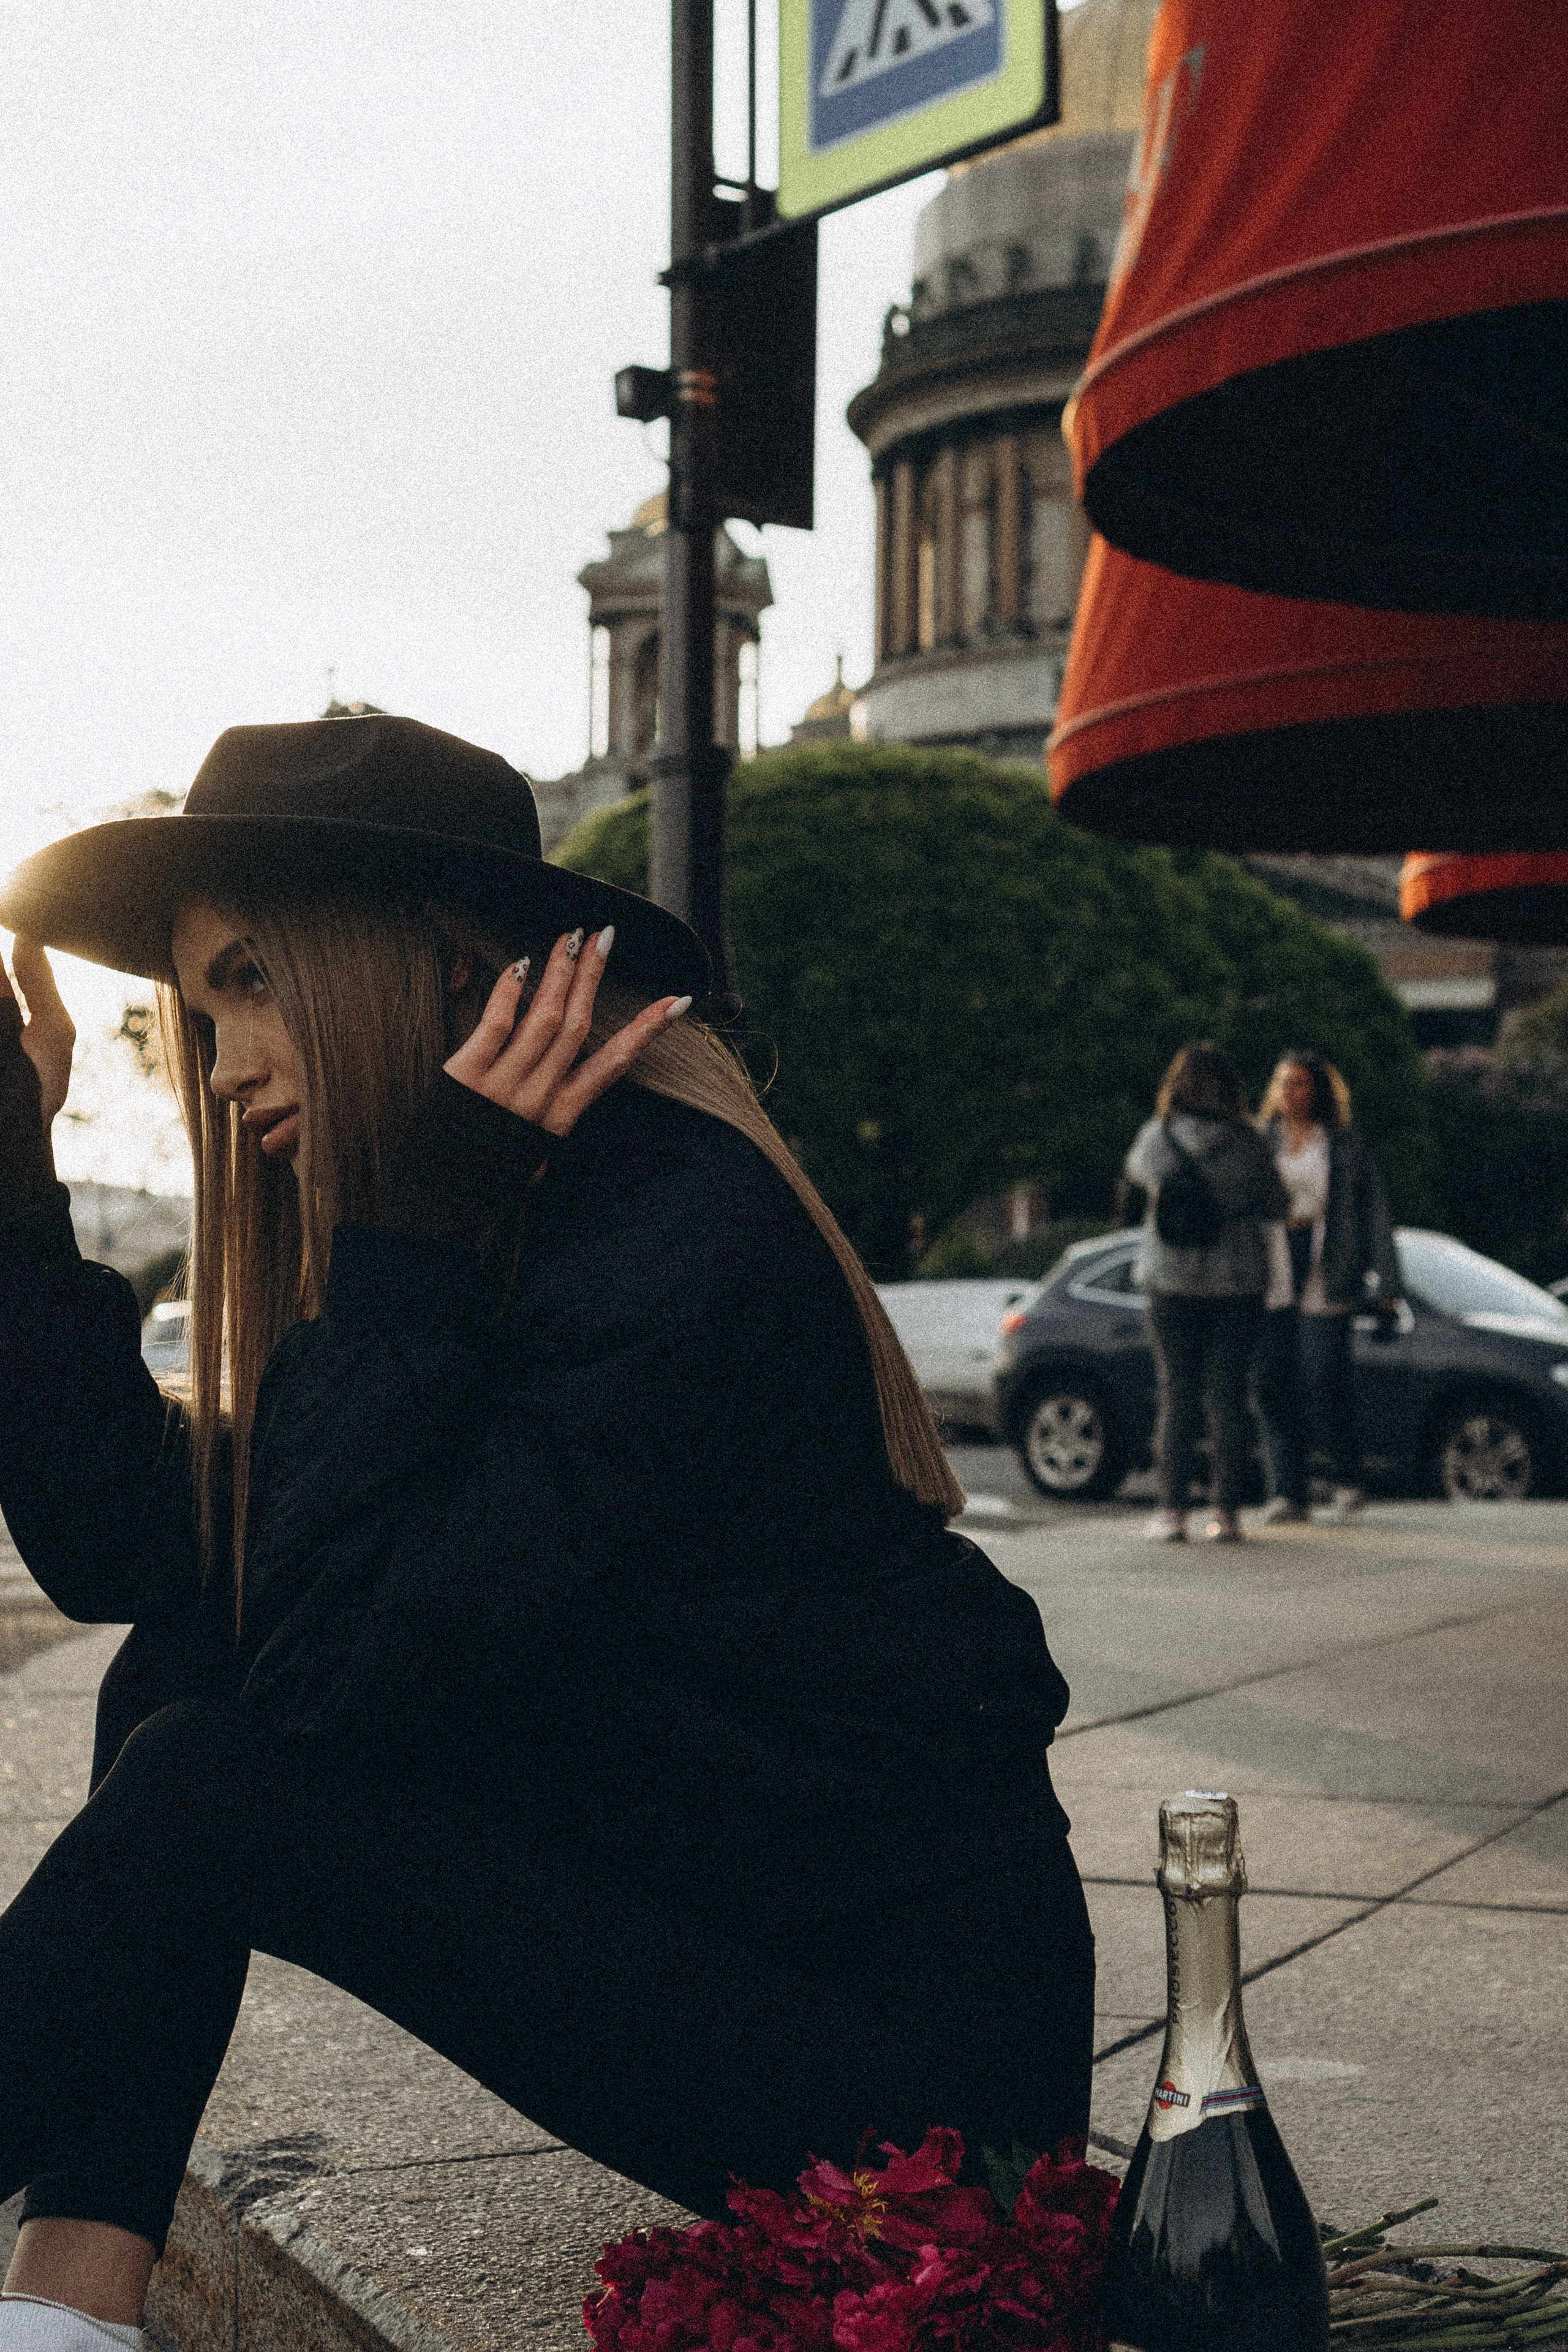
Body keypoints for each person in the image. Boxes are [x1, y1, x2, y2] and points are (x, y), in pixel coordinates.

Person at [0, 717, 1095, 2352]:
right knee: (174, 1657)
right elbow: (130, 1547)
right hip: (718, 1940)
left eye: (251, 981)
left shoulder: (668, 1222)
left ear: (437, 961)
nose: (218, 1065)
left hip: (914, 2096)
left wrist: (411, 1244)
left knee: (207, 1761)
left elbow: (326, 1682)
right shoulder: (467, 1211)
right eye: (199, 1009)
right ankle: (65, 2306)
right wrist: (15, 1178)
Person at [1125, 1043, 1288, 1544]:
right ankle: (1227, 1513)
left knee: (1177, 1392)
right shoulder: (1250, 1142)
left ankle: (1172, 1512)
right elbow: (1277, 1205)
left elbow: (1138, 1177)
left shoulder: (1156, 1137)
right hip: (1237, 1282)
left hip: (1169, 1279)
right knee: (1229, 1397)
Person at [1254, 1049, 1401, 1524]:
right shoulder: (1261, 1141)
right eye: (1283, 1082)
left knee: (1323, 1379)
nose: (1289, 1091)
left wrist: (1388, 1281)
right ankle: (1288, 1491)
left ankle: (1346, 1477)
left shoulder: (1343, 1144)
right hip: (1273, 1270)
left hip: (1328, 1267)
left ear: (1317, 1090)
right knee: (1273, 1383)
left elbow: (1374, 1214)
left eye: (1299, 1082)